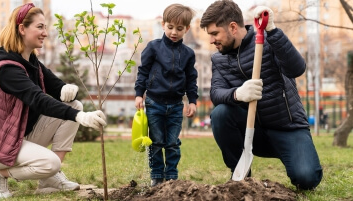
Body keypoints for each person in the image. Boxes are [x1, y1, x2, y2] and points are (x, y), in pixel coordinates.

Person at [0, 3, 107, 199]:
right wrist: (79, 117)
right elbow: (38, 99)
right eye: (40, 27)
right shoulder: (7, 69)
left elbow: (57, 88)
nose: (45, 33)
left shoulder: (32, 62)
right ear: (22, 29)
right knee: (49, 163)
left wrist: (69, 89)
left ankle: (50, 179)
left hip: (17, 136)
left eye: (45, 27)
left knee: (74, 105)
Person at [200, 0, 322, 190]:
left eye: (215, 33)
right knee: (220, 113)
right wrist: (237, 94)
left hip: (287, 128)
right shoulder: (218, 59)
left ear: (232, 27)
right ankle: (240, 176)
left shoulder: (268, 42)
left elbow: (297, 68)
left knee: (306, 178)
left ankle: (295, 156)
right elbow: (216, 93)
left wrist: (273, 31)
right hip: (252, 132)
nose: (211, 40)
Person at [134, 3, 198, 187]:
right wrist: (139, 94)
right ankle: (156, 176)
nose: (174, 32)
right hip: (154, 103)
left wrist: (192, 101)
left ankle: (171, 177)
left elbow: (191, 79)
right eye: (170, 27)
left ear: (186, 29)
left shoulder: (188, 54)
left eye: (179, 29)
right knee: (156, 142)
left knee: (172, 143)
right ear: (163, 24)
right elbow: (143, 72)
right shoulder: (153, 48)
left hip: (176, 105)